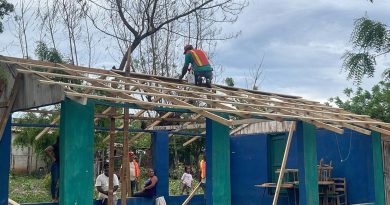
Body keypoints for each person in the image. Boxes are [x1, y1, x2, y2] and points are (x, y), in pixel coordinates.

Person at [45, 137, 59, 203]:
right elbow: (46, 150)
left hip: (63, 165)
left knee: (61, 182)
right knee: (54, 181)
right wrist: (53, 158)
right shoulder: (56, 145)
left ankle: (58, 198)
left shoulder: (65, 145)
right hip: (56, 165)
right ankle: (53, 198)